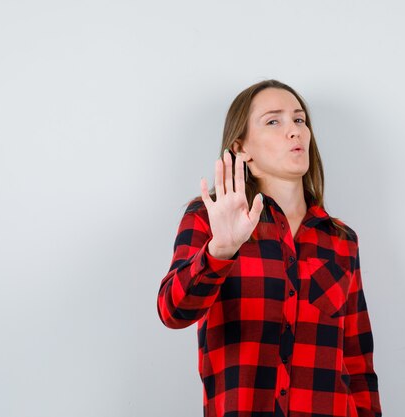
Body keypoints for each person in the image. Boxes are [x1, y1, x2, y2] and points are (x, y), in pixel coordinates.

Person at [157, 79, 383, 417]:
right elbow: (172, 311)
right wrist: (220, 251)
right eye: (273, 121)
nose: (294, 131)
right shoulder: (209, 218)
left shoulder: (341, 240)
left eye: (299, 120)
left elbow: (358, 358)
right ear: (241, 148)